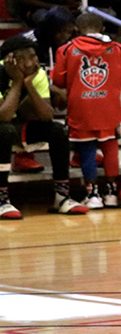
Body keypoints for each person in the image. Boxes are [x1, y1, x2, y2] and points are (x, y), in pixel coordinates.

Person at [0, 36, 89, 219]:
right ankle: (1, 199)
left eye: (34, 56)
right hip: (3, 124)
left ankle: (62, 196)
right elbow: (4, 116)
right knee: (5, 131)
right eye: (28, 58)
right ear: (12, 59)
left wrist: (28, 85)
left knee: (57, 130)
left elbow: (46, 116)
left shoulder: (36, 73)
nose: (34, 62)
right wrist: (17, 82)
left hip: (15, 123)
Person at [51, 13, 121, 209]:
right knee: (111, 151)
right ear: (102, 28)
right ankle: (111, 194)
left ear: (77, 29)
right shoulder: (118, 48)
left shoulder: (66, 49)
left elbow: (59, 80)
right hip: (110, 108)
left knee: (87, 151)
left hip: (81, 109)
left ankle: (93, 195)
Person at [11, 6, 76, 173]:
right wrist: (56, 90)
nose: (66, 36)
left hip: (46, 89)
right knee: (31, 97)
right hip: (16, 90)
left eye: (69, 32)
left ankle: (82, 150)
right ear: (51, 28)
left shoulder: (63, 44)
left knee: (85, 93)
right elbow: (22, 78)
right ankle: (23, 155)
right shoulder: (26, 44)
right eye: (63, 32)